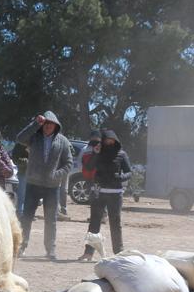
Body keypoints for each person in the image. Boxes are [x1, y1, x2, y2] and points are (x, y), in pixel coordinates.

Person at [16, 111, 72, 259]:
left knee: (51, 219)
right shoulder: (34, 137)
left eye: (51, 124)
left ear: (56, 125)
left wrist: (56, 175)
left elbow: (69, 163)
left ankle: (50, 250)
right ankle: (21, 247)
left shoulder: (63, 141)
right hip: (33, 184)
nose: (48, 126)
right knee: (27, 217)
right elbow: (19, 138)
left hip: (52, 187)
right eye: (45, 124)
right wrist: (35, 124)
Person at [78, 130, 132, 261]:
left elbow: (129, 172)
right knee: (94, 223)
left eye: (111, 141)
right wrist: (95, 153)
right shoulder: (98, 153)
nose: (109, 143)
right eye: (106, 141)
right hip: (99, 193)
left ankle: (118, 253)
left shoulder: (122, 154)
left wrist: (121, 177)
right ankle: (88, 253)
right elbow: (89, 167)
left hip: (115, 194)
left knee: (115, 223)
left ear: (116, 141)